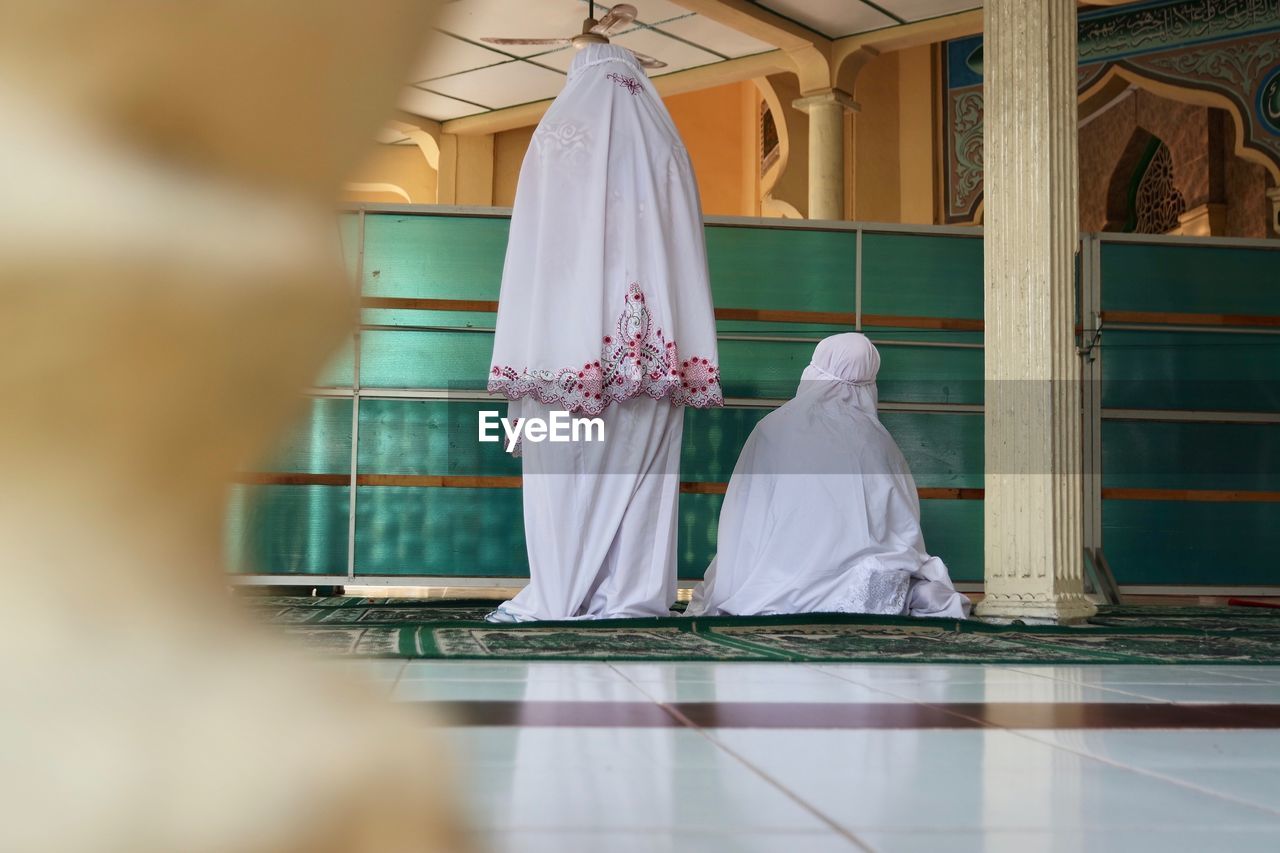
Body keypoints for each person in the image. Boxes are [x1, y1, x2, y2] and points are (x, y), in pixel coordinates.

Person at [485, 43, 721, 622]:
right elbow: (683, 257)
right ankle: (632, 599)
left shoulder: (559, 132)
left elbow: (538, 255)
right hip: (658, 348)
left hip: (564, 346)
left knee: (564, 476)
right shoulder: (666, 142)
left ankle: (562, 592)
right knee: (645, 478)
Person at [688, 333, 970, 619]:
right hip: (865, 592)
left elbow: (742, 519)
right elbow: (904, 527)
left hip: (776, 584)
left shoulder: (772, 429)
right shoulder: (879, 443)